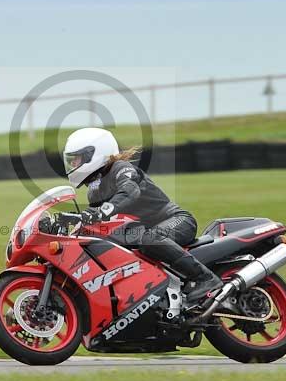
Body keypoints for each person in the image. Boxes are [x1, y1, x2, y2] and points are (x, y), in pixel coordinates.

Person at [63, 127, 223, 305]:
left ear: (93, 153)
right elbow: (96, 222)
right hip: (143, 233)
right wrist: (73, 222)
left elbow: (130, 190)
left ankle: (206, 278)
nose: (74, 164)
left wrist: (103, 210)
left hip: (177, 220)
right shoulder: (94, 191)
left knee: (149, 239)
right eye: (72, 160)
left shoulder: (121, 169)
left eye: (77, 159)